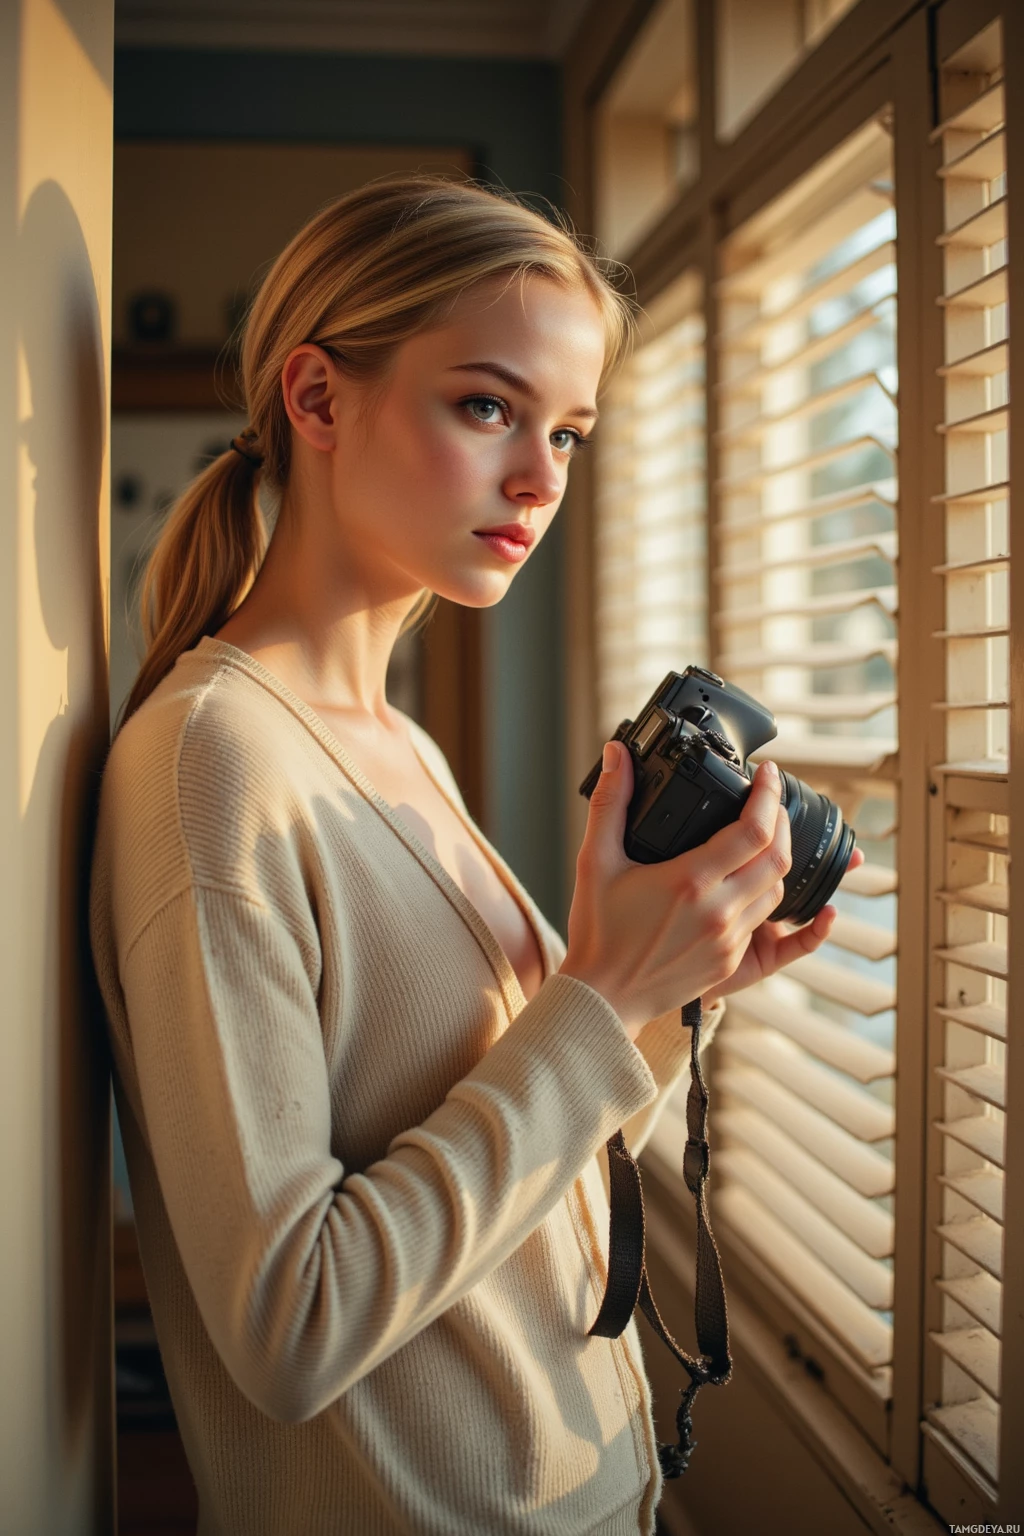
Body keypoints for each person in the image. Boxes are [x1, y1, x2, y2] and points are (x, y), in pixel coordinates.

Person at [89, 175, 860, 1536]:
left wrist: (679, 987)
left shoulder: (400, 745)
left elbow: (526, 1146)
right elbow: (291, 1327)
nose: (541, 478)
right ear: (317, 399)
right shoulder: (213, 763)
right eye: (488, 407)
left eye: (569, 432)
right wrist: (602, 998)